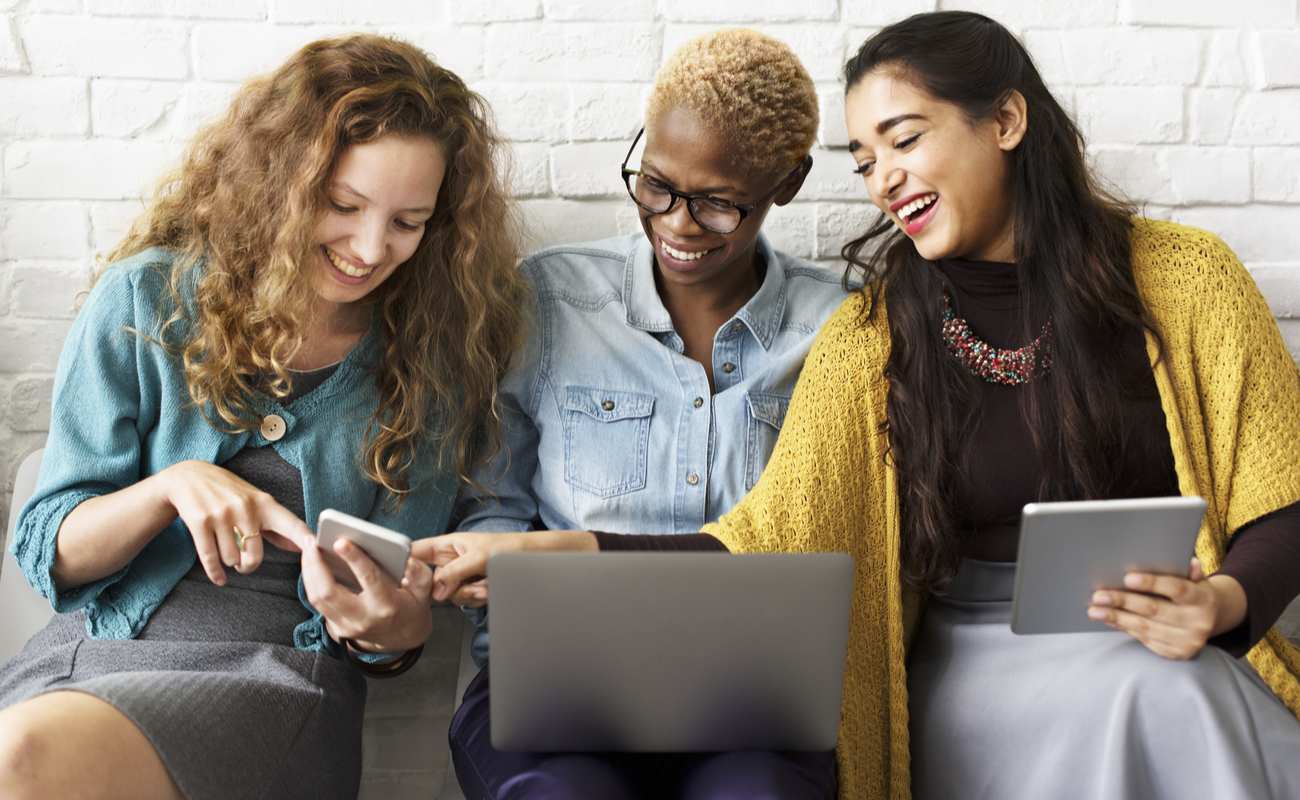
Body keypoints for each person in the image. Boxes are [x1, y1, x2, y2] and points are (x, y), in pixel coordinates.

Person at [424, 12, 1300, 800]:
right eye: (867, 160)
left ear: (1005, 121)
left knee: (1173, 686)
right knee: (1156, 693)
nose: (883, 180)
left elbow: (1282, 492)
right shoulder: (874, 334)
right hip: (977, 660)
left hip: (1163, 637)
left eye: (903, 141)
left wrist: (1222, 602)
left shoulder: (1186, 277)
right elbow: (766, 535)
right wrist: (545, 551)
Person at [0, 34, 525, 800]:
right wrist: (169, 487)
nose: (371, 248)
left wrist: (392, 627)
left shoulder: (431, 357)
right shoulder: (145, 300)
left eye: (408, 223)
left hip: (278, 683)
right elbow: (52, 553)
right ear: (279, 181)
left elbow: (395, 630)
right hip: (82, 658)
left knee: (24, 758)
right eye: (343, 206)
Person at [429, 28, 847, 800]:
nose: (678, 224)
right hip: (556, 696)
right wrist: (499, 602)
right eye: (654, 185)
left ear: (788, 183)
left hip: (752, 708)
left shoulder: (838, 332)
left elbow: (831, 538)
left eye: (719, 204)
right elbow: (493, 505)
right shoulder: (548, 302)